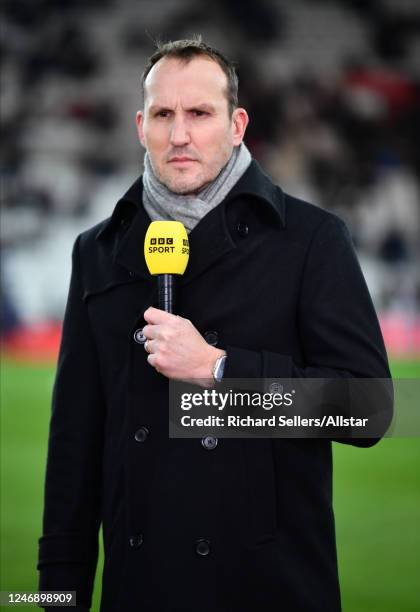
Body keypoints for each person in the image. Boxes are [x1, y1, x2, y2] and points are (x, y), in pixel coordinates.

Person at [38, 37, 392, 612]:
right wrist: (56, 595)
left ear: (236, 125)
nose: (179, 135)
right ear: (140, 126)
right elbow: (74, 445)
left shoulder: (310, 240)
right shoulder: (96, 252)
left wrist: (220, 373)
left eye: (199, 113)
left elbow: (370, 409)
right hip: (140, 591)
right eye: (163, 115)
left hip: (269, 591)